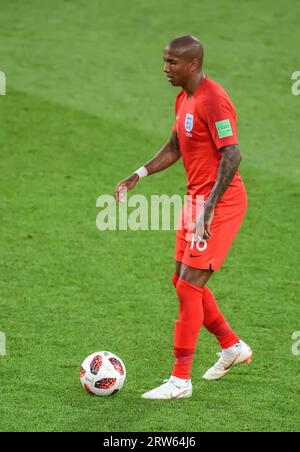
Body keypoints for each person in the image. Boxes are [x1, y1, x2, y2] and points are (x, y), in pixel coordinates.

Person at [115, 35, 252, 399]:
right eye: (164, 61)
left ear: (192, 64)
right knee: (180, 280)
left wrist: (209, 208)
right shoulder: (184, 98)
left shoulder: (214, 100)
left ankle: (180, 380)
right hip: (196, 201)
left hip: (219, 204)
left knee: (190, 286)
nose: (165, 69)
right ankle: (231, 345)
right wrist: (138, 174)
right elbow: (176, 145)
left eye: (172, 63)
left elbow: (232, 155)